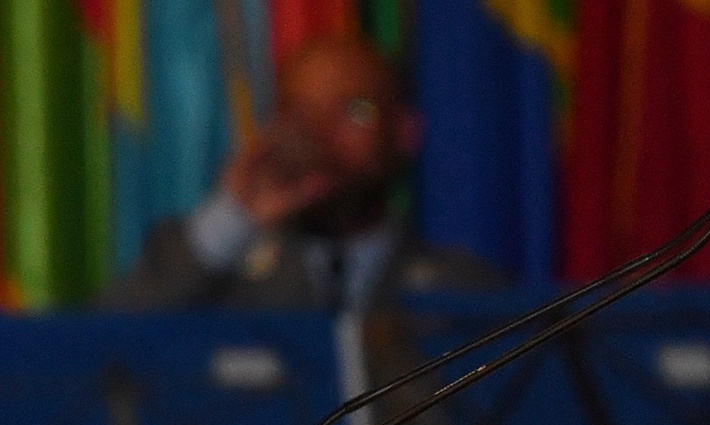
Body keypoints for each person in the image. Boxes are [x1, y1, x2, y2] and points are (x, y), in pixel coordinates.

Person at [102, 32, 498, 313]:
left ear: (404, 133)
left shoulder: (464, 292)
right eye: (298, 112)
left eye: (353, 112)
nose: (320, 136)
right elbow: (91, 347)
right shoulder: (229, 284)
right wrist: (231, 220)